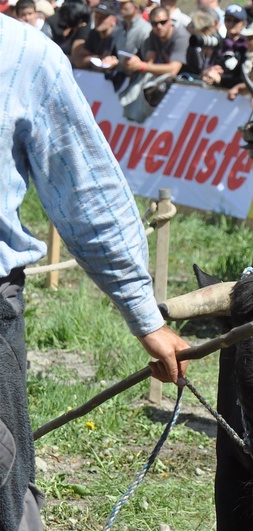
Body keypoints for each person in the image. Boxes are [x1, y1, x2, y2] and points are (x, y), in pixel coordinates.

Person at [0, 16, 189, 531]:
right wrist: (145, 315)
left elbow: (86, 190)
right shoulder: (21, 49)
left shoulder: (21, 53)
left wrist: (144, 312)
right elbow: (85, 189)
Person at [124, 6, 191, 77]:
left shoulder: (181, 36)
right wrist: (134, 63)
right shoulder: (154, 34)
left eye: (163, 22)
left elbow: (173, 70)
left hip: (188, 78)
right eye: (154, 24)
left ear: (170, 21)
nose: (159, 26)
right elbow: (149, 62)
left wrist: (141, 66)